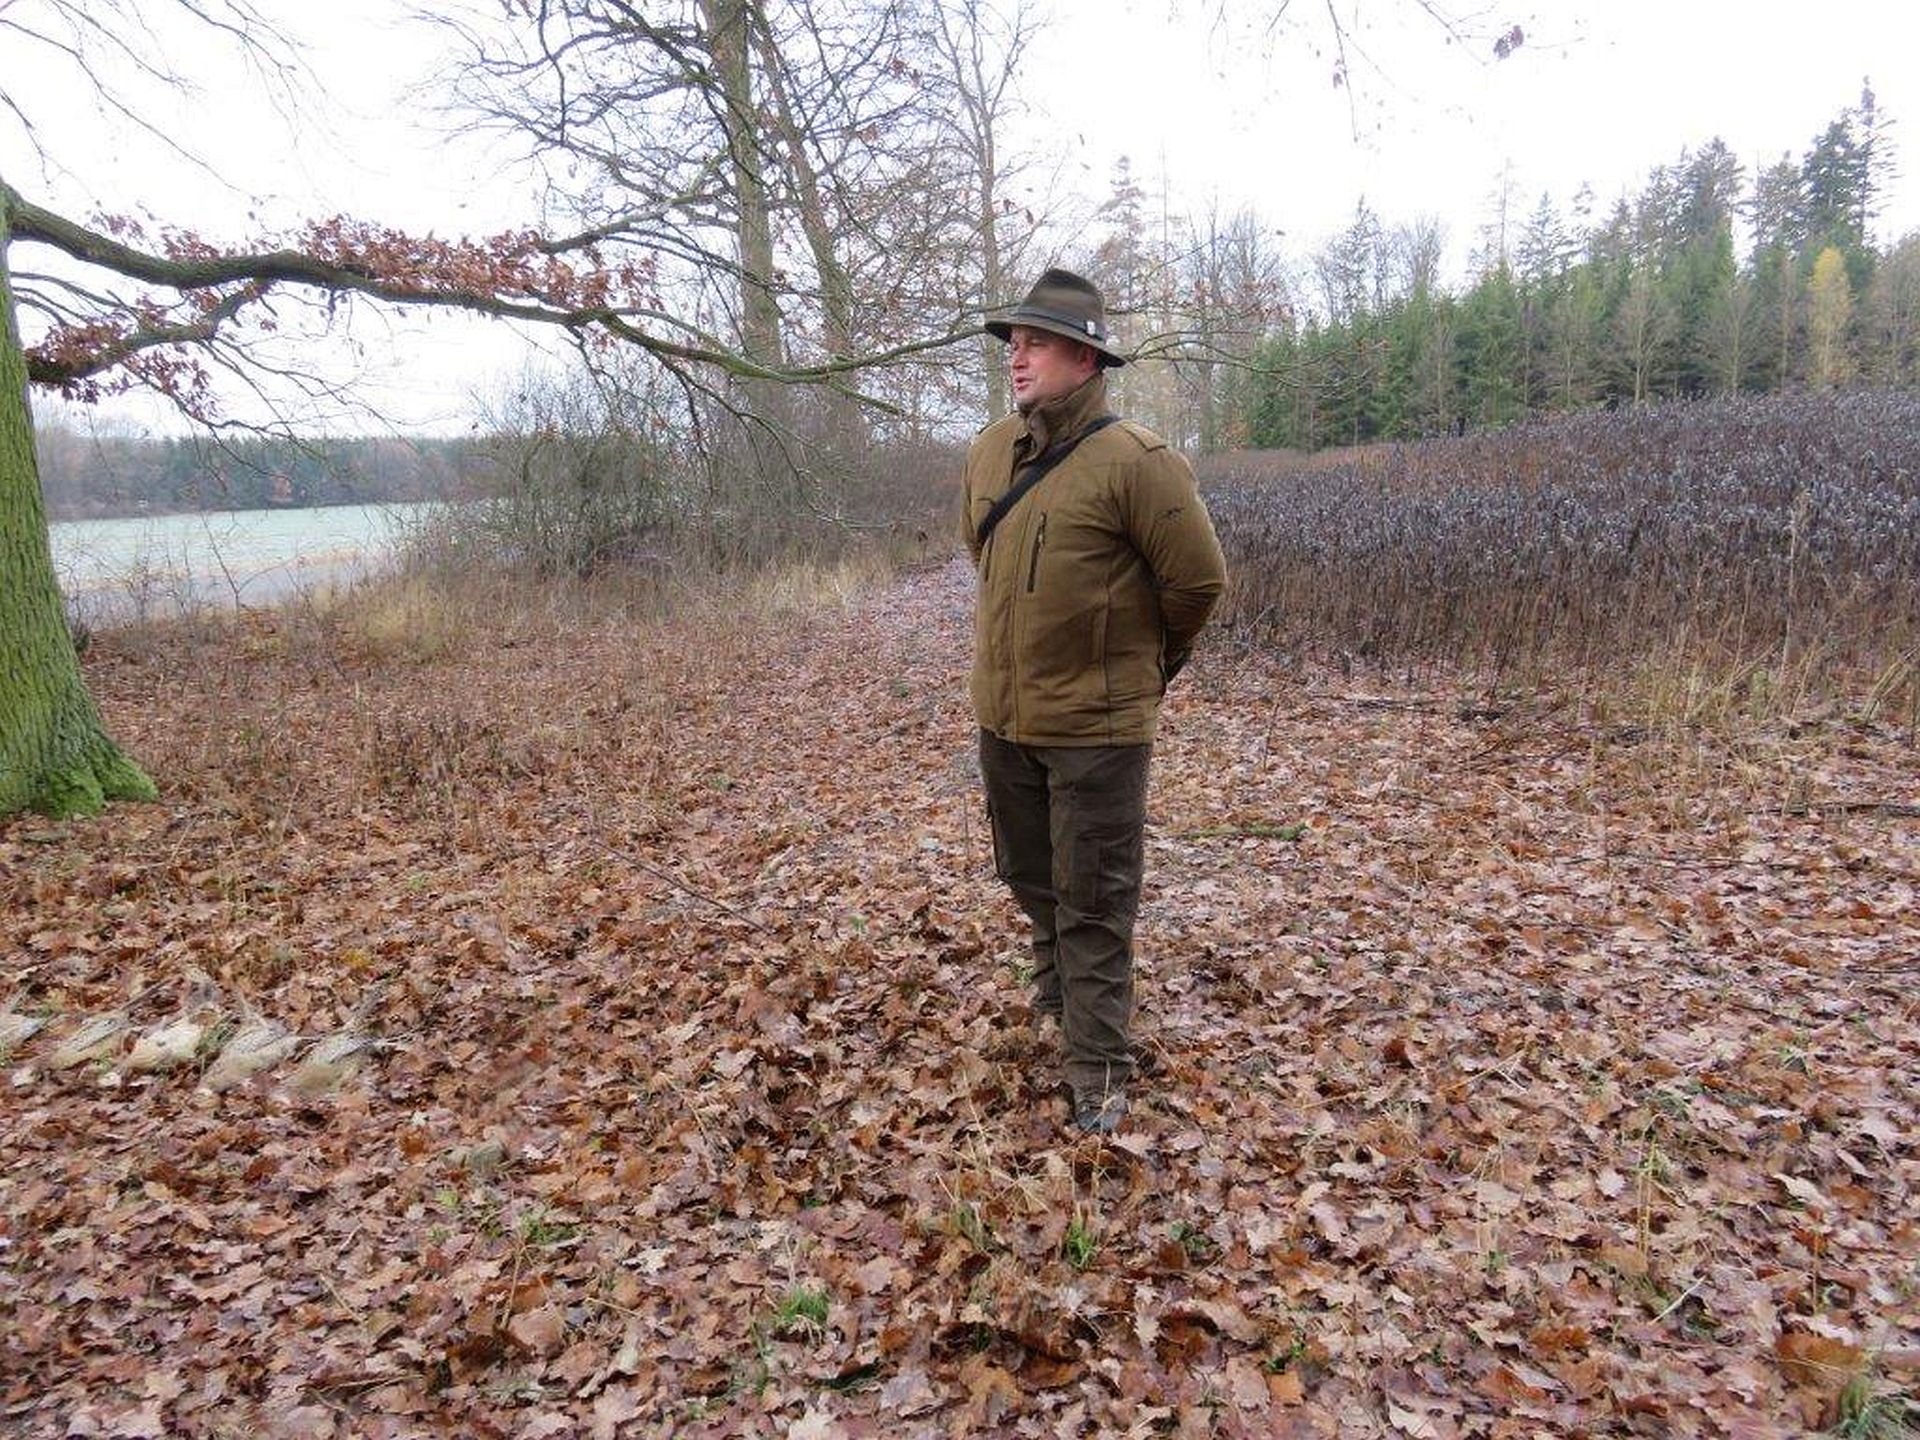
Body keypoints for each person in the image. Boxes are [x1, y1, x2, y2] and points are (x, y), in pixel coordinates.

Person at [960, 268, 1227, 1134]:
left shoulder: (1139, 464)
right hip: (1006, 719)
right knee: (1029, 874)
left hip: (1097, 734)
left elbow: (1197, 584)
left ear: (1083, 357)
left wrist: (1141, 673)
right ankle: (1056, 992)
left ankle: (1099, 1068)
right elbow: (984, 556)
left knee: (1096, 902)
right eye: (1013, 344)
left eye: (1035, 344)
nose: (1017, 358)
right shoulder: (990, 453)